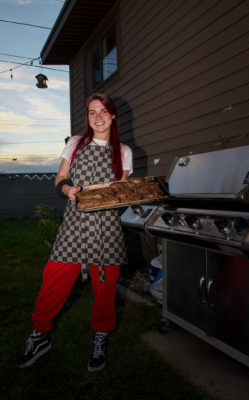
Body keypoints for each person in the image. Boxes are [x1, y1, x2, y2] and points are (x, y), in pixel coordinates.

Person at [17, 93, 133, 372]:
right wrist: (68, 189)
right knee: (52, 280)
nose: (98, 117)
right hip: (74, 224)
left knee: (105, 290)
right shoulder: (75, 143)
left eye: (103, 111)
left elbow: (121, 193)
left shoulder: (124, 152)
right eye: (92, 112)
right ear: (87, 117)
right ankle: (40, 335)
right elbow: (60, 179)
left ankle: (101, 336)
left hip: (107, 229)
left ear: (113, 115)